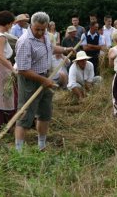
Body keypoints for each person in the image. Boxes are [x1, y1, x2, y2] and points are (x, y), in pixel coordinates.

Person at [15, 11, 75, 151]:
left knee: (45, 113)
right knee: (25, 114)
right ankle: (18, 152)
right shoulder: (25, 42)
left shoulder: (46, 37)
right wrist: (43, 80)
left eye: (43, 29)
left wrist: (65, 49)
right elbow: (22, 70)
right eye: (37, 29)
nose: (41, 32)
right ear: (31, 26)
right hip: (29, 81)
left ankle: (41, 145)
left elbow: (50, 48)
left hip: (45, 77)